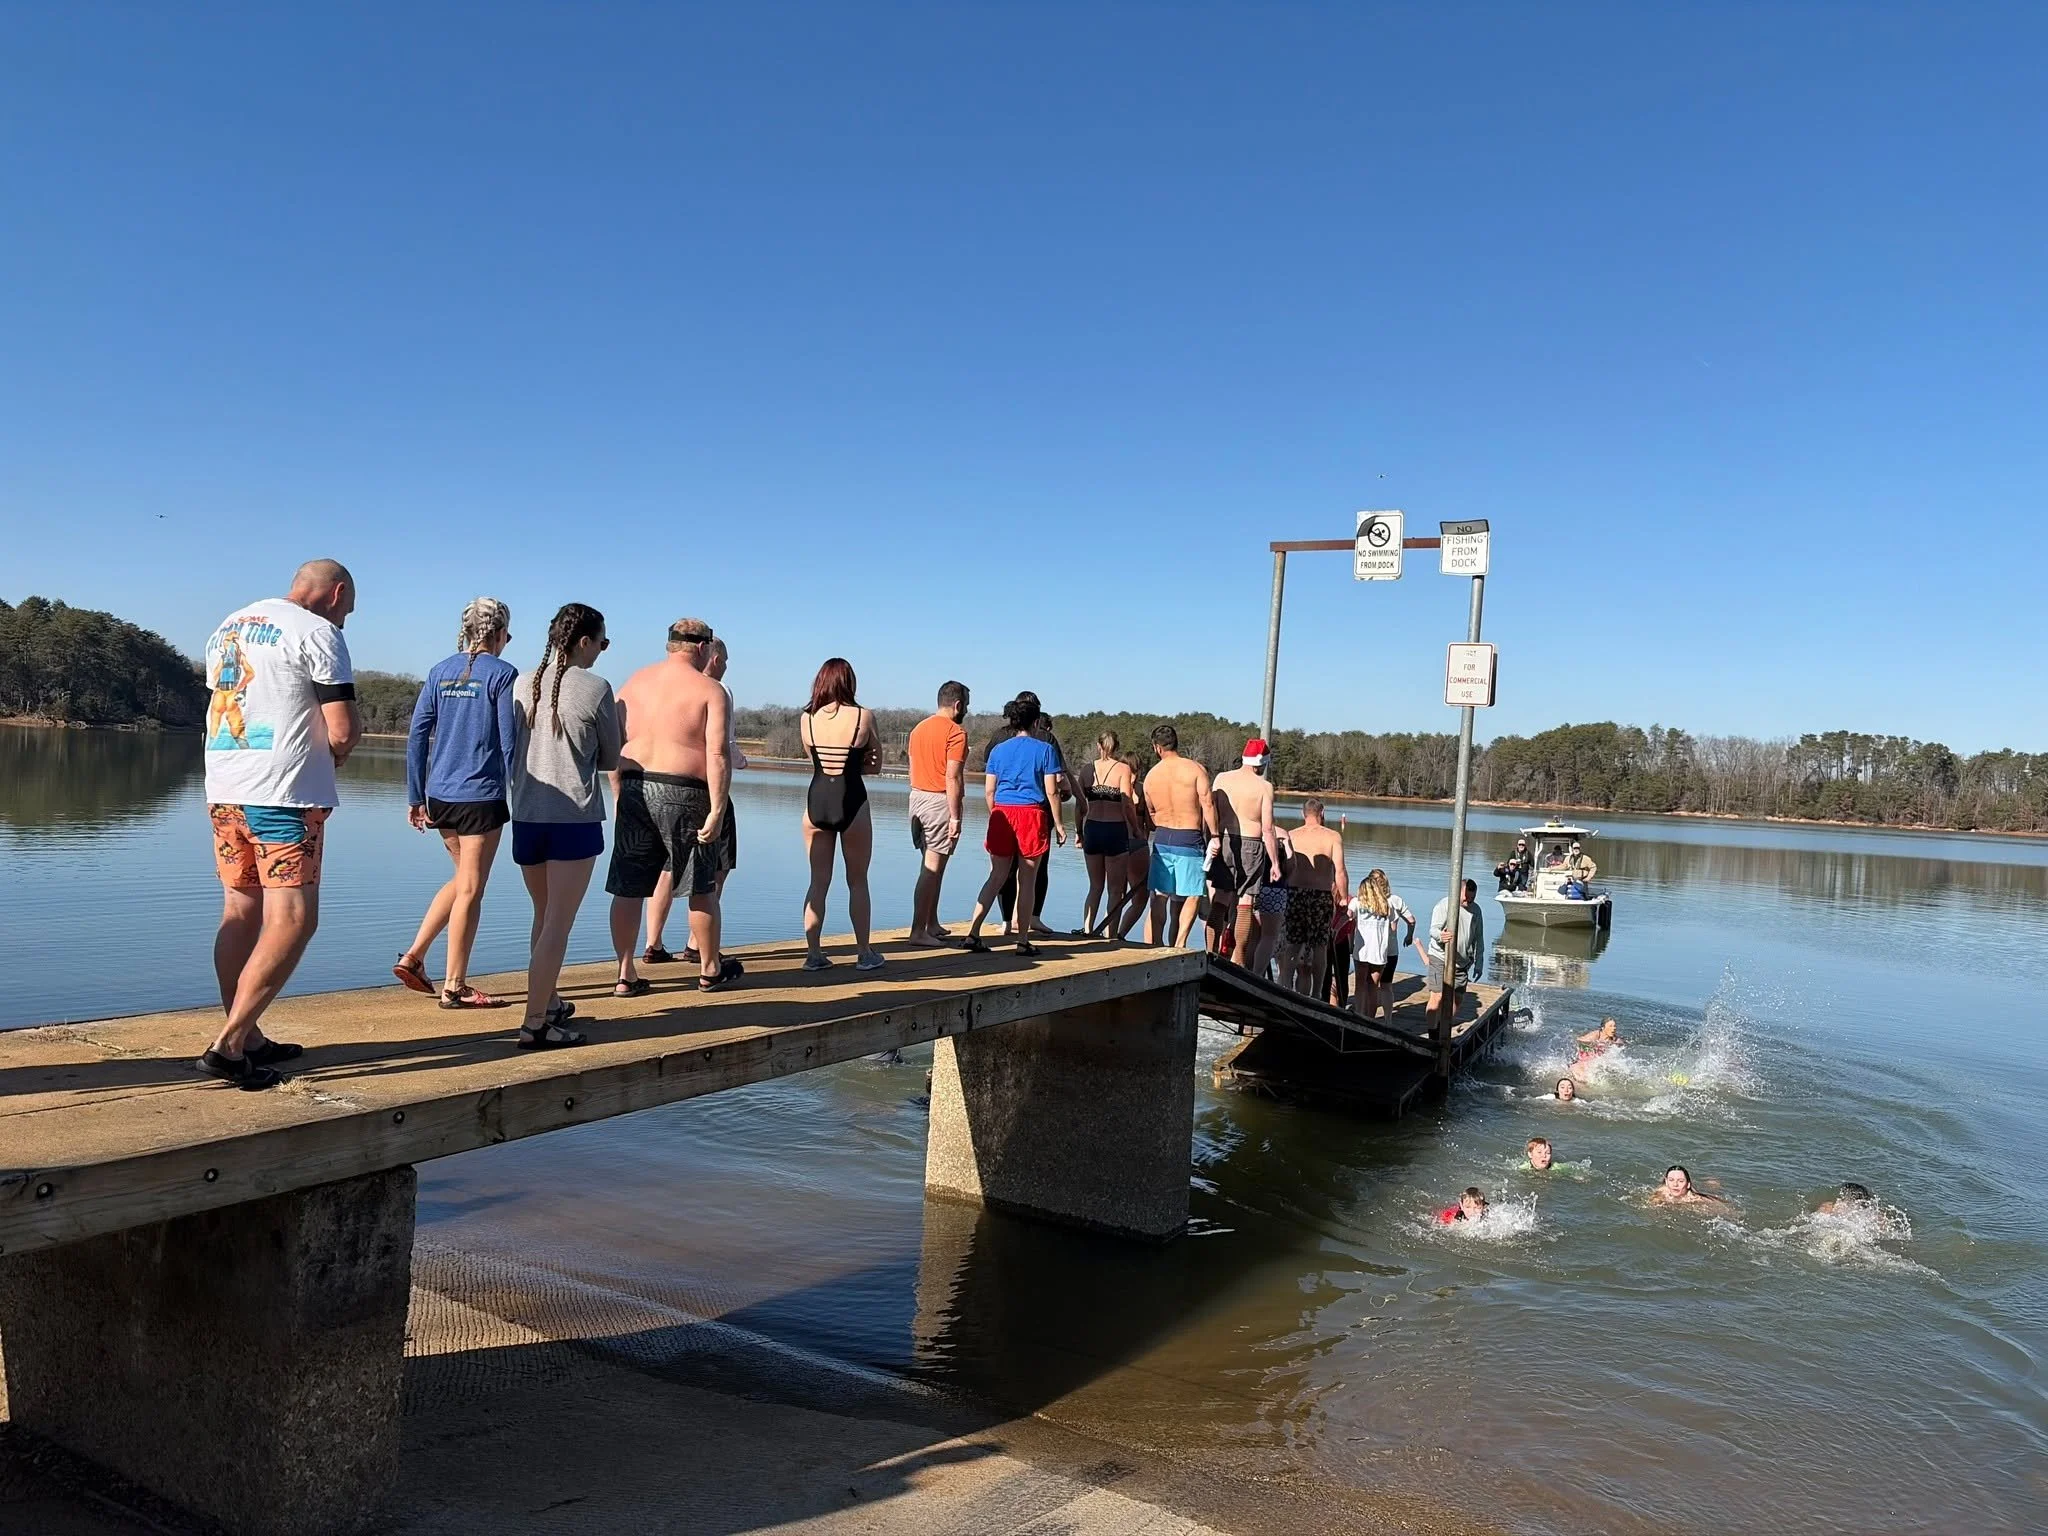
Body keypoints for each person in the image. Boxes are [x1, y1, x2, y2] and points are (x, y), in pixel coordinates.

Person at [197, 559, 361, 1088]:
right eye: (348, 611)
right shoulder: (318, 632)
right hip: (283, 795)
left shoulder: (229, 625)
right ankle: (228, 1045)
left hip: (224, 787)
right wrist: (336, 754)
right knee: (293, 918)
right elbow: (342, 729)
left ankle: (247, 1036)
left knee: (240, 910)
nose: (345, 621)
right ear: (335, 595)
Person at [395, 597, 518, 1011]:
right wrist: (522, 789)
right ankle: (455, 986)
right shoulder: (502, 674)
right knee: (471, 888)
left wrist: (415, 795)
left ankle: (414, 956)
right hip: (480, 797)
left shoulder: (439, 671)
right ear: (500, 634)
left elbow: (417, 735)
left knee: (464, 879)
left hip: (440, 795)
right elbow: (508, 741)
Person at [605, 618, 736, 997]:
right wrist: (717, 808)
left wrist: (619, 795)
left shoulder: (633, 683)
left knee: (628, 888)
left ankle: (625, 973)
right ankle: (710, 969)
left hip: (634, 787)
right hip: (685, 791)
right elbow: (717, 753)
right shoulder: (710, 690)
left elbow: (615, 748)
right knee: (700, 885)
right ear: (702, 648)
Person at [509, 603, 620, 1049]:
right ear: (583, 642)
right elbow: (611, 758)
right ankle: (535, 1022)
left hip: (527, 815)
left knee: (543, 915)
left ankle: (548, 1000)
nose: (602, 652)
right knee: (558, 923)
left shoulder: (517, 684)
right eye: (602, 642)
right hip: (573, 818)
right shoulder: (596, 688)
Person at [796, 658, 884, 971]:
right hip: (852, 800)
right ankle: (864, 953)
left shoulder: (806, 719)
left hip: (817, 800)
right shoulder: (863, 716)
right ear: (850, 682)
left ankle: (813, 955)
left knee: (817, 881)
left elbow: (814, 761)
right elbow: (875, 765)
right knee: (857, 880)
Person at [963, 697, 1066, 955]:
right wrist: (1060, 824)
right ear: (1036, 722)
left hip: (1002, 813)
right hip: (1031, 815)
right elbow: (1053, 792)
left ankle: (973, 932)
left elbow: (989, 791)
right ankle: (1022, 941)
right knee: (1027, 880)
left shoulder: (998, 750)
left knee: (996, 876)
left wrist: (997, 814)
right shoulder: (1045, 750)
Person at [906, 681, 971, 947]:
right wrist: (955, 817)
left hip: (916, 798)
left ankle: (931, 922)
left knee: (935, 865)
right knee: (932, 868)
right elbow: (952, 776)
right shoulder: (955, 733)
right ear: (957, 705)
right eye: (966, 704)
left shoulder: (918, 729)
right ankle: (917, 930)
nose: (966, 709)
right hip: (938, 801)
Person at [1141, 724, 1216, 948]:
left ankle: (1156, 943)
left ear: (1156, 747)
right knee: (1193, 893)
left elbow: (1151, 812)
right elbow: (1207, 803)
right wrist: (1216, 835)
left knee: (1160, 895)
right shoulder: (1195, 770)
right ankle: (1180, 943)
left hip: (1163, 837)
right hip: (1189, 837)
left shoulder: (1152, 776)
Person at [1207, 738, 1281, 959]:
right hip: (1252, 842)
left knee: (1220, 898)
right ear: (1262, 762)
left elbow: (1211, 811)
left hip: (1224, 838)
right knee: (1246, 901)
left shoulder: (1222, 779)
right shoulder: (1264, 787)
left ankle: (1210, 953)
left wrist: (1211, 839)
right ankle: (1238, 958)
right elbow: (1268, 829)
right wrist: (1275, 863)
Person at [1277, 799, 1348, 998]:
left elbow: (1284, 868)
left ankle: (1284, 987)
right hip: (1321, 894)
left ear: (1303, 814)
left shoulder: (1291, 835)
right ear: (1322, 813)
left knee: (1293, 942)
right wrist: (1343, 899)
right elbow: (1340, 872)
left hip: (1295, 893)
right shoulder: (1333, 836)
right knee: (1319, 945)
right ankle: (1316, 993)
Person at [1077, 731, 1140, 935]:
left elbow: (1080, 805)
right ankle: (1110, 934)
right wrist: (1136, 829)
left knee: (1095, 886)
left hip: (1093, 828)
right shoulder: (1123, 769)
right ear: (1116, 747)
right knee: (1115, 890)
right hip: (1115, 829)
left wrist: (1079, 831)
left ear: (1098, 746)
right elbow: (1127, 804)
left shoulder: (1087, 770)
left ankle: (1087, 930)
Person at [1349, 869, 1422, 1025]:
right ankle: (1378, 1019)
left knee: (1361, 984)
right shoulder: (1391, 902)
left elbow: (1349, 916)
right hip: (1385, 951)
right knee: (1379, 986)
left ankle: (1360, 1016)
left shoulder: (1360, 901)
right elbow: (1406, 922)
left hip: (1365, 949)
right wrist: (1409, 935)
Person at [1425, 878, 1486, 1021]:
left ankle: (1442, 1028)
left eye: (1471, 899)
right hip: (1440, 957)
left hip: (1462, 962)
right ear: (1458, 891)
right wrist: (1441, 935)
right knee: (1438, 995)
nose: (1468, 902)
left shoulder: (1476, 910)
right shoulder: (1444, 905)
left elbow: (1479, 938)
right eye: (1465, 898)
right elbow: (1433, 930)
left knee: (1458, 998)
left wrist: (1479, 963)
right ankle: (1432, 1034)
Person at [1247, 824, 1294, 979]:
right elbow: (1291, 867)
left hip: (1251, 889)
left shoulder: (1249, 828)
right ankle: (1257, 976)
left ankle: (1246, 972)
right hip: (1275, 889)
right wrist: (1286, 844)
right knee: (1268, 936)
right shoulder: (1281, 833)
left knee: (1252, 936)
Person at [1649, 1166, 1728, 1207]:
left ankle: (1710, 1182)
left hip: (1694, 1189)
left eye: (1680, 1181)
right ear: (1666, 1181)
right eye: (1671, 1180)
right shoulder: (1662, 1192)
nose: (1675, 1184)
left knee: (1709, 1186)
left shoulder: (1695, 1198)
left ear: (1688, 1184)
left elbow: (1721, 1205)